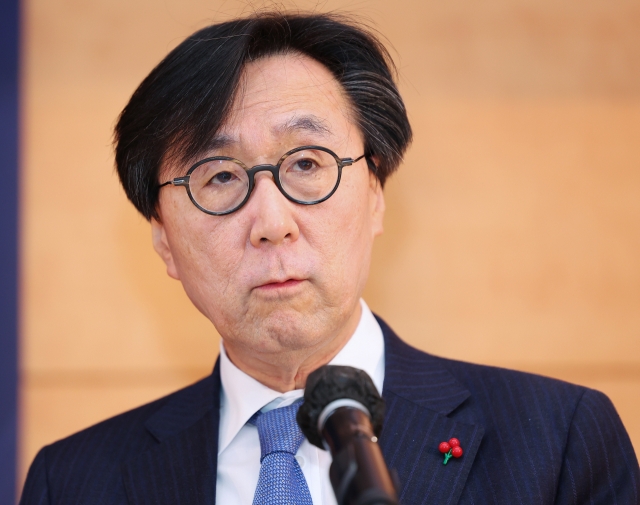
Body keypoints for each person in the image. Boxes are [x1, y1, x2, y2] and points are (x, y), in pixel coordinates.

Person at [20, 11, 639, 505]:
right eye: (219, 178)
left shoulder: (559, 442)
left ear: (374, 193)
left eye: (307, 164)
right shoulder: (72, 482)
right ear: (164, 241)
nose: (271, 222)